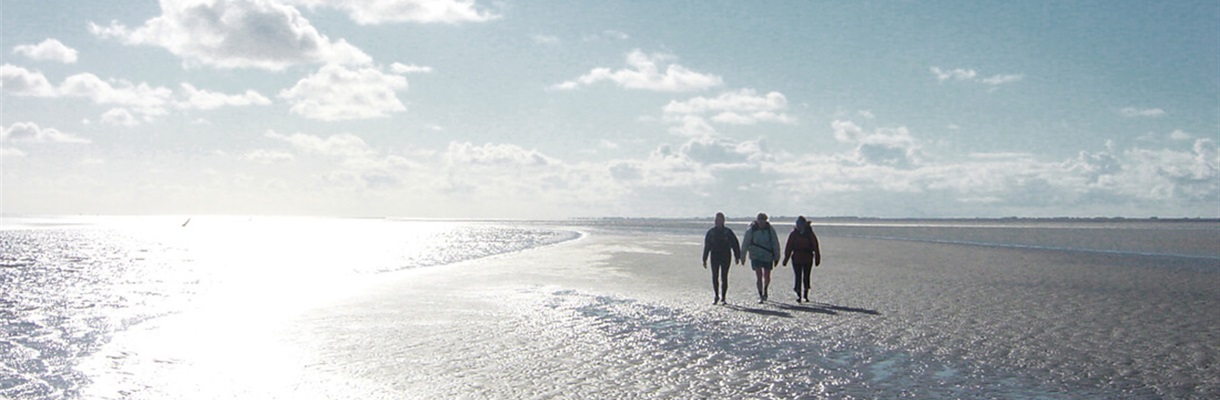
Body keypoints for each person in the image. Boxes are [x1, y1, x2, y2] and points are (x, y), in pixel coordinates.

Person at [702, 212, 742, 305]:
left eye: (719, 220)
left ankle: (723, 297)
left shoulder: (728, 232)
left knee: (724, 277)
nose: (718, 222)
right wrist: (704, 258)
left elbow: (735, 244)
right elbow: (707, 246)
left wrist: (737, 256)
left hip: (725, 256)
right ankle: (716, 296)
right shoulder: (711, 232)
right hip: (714, 256)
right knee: (715, 276)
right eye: (716, 220)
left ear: (723, 221)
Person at [741, 212, 781, 303]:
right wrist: (742, 256)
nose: (762, 222)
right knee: (759, 276)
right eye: (760, 220)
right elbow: (745, 243)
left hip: (767, 255)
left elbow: (775, 243)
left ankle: (765, 289)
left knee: (767, 276)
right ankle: (760, 294)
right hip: (756, 255)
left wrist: (777, 256)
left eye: (763, 220)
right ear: (757, 220)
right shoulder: (751, 230)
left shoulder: (770, 230)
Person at [782, 216, 822, 303]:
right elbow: (789, 247)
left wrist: (817, 258)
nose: (798, 225)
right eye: (797, 224)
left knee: (806, 276)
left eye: (800, 224)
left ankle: (806, 293)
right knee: (798, 276)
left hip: (807, 258)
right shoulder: (793, 234)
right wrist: (786, 259)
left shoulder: (810, 233)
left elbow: (815, 246)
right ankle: (798, 294)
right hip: (796, 258)